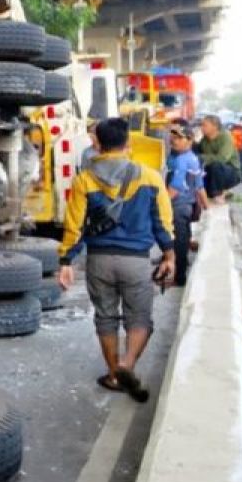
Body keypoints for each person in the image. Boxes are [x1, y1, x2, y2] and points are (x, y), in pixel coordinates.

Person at [58, 117, 175, 403]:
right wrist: (169, 255)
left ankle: (113, 374)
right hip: (136, 261)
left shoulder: (85, 179)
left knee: (106, 317)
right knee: (140, 317)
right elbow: (162, 221)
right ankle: (126, 364)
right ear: (128, 142)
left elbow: (74, 226)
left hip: (99, 261)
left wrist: (66, 261)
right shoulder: (150, 177)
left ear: (97, 143)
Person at [166, 127, 208, 286]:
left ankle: (179, 278)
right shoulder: (192, 158)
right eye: (174, 137)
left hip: (178, 206)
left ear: (190, 140)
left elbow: (175, 187)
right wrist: (207, 207)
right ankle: (180, 272)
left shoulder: (182, 160)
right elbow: (199, 185)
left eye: (179, 138)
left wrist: (161, 205)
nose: (174, 141)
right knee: (183, 239)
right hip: (188, 205)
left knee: (179, 243)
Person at [197, 115, 242, 199]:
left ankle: (218, 195)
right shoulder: (204, 140)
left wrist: (202, 157)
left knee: (216, 165)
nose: (201, 128)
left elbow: (222, 158)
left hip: (231, 173)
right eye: (201, 125)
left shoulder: (225, 137)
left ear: (215, 127)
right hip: (212, 172)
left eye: (204, 125)